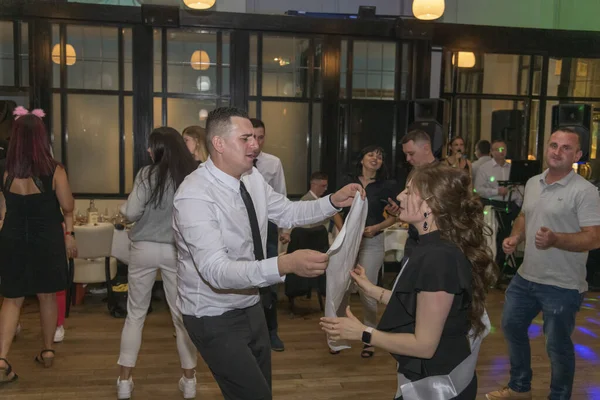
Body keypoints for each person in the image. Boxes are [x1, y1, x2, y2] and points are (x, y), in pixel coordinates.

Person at [173, 107, 364, 400]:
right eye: (246, 138)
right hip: (212, 314)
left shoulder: (251, 178)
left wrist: (332, 202)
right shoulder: (194, 194)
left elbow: (287, 211)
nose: (255, 145)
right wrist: (285, 264)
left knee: (262, 392)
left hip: (251, 303)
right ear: (219, 144)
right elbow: (217, 271)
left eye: (255, 138)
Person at [321, 163, 498, 400]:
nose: (400, 196)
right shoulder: (431, 245)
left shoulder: (439, 257)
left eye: (408, 191)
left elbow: (424, 345)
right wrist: (371, 289)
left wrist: (363, 332)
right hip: (433, 377)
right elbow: (420, 301)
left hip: (439, 386)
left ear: (430, 204)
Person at [486, 127, 600, 400]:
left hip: (562, 284)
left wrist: (555, 239)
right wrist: (515, 237)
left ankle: (558, 396)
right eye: (553, 145)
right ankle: (519, 388)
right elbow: (525, 216)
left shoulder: (585, 192)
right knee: (512, 326)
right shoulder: (533, 182)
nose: (557, 151)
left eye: (566, 148)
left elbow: (594, 238)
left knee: (557, 346)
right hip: (526, 277)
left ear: (578, 155)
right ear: (546, 148)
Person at [116, 127, 198, 400]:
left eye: (151, 147)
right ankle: (189, 381)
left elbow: (130, 211)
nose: (148, 151)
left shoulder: (146, 174)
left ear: (161, 148)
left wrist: (123, 213)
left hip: (144, 248)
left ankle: (125, 382)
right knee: (181, 317)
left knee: (135, 314)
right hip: (177, 250)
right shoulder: (190, 176)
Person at [0, 107, 77, 383]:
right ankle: (47, 351)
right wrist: (70, 234)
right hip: (47, 239)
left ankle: (1, 358)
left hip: (13, 237)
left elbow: (1, 212)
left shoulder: (5, 170)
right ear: (41, 139)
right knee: (47, 294)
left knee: (12, 298)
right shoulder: (54, 170)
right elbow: (68, 206)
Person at [334, 145, 399, 358]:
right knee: (341, 289)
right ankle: (337, 336)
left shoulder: (387, 186)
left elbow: (393, 216)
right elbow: (333, 208)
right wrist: (344, 230)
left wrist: (376, 228)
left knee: (367, 290)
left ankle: (369, 336)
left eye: (380, 157)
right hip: (346, 243)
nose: (375, 158)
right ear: (361, 159)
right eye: (371, 154)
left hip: (372, 242)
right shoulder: (347, 180)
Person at [250, 118, 288, 351]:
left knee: (270, 281)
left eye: (260, 136)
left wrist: (286, 230)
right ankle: (251, 334)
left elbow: (282, 196)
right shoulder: (236, 162)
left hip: (270, 229)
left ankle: (272, 332)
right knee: (247, 280)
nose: (256, 141)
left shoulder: (273, 163)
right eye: (251, 136)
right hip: (244, 227)